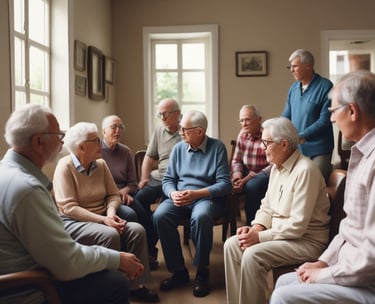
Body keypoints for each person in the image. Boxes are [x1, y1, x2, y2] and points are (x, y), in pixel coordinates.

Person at [0, 104, 144, 304]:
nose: (62, 141)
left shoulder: (7, 171)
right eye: (57, 134)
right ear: (38, 142)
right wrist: (117, 259)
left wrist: (109, 214)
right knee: (115, 283)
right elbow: (66, 263)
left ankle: (138, 285)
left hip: (30, 272)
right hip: (28, 288)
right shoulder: (27, 189)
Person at [270, 70, 375, 304]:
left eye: (333, 111)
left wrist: (326, 274)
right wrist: (324, 261)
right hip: (351, 268)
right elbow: (349, 228)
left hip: (368, 280)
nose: (331, 119)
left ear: (352, 111)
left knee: (282, 297)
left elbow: (372, 253)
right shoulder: (362, 154)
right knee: (284, 282)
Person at [224, 117, 331, 304]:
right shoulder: (276, 167)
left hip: (306, 241)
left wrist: (259, 237)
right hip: (282, 235)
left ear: (284, 144)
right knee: (232, 245)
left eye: (266, 142)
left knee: (251, 255)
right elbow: (267, 205)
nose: (262, 147)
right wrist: (256, 228)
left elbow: (297, 227)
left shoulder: (306, 170)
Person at [53, 122, 159, 303]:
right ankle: (113, 286)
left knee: (137, 230)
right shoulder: (65, 166)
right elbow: (69, 208)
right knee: (110, 234)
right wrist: (103, 220)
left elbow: (112, 195)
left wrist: (110, 213)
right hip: (74, 221)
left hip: (104, 216)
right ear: (81, 147)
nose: (100, 144)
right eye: (95, 141)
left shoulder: (100, 164)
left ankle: (135, 286)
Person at [153, 110, 232, 297]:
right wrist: (172, 194)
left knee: (201, 216)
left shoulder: (217, 148)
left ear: (200, 131)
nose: (180, 132)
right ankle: (178, 271)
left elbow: (225, 184)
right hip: (180, 196)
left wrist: (196, 194)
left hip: (206, 198)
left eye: (185, 129)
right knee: (160, 215)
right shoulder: (179, 149)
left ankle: (202, 271)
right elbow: (168, 179)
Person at [101, 114, 159, 270]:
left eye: (121, 127)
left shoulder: (125, 151)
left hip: (125, 194)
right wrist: (116, 194)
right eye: (114, 127)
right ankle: (128, 257)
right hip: (105, 197)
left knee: (147, 217)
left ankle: (149, 252)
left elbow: (133, 183)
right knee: (131, 215)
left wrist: (124, 191)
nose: (118, 130)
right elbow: (97, 182)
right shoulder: (96, 151)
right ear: (103, 131)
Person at [134, 98, 181, 267]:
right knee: (139, 198)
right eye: (159, 114)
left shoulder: (187, 131)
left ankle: (149, 249)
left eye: (165, 114)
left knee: (160, 214)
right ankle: (149, 241)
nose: (162, 117)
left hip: (177, 181)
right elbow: (149, 156)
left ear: (177, 114)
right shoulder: (159, 130)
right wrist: (144, 178)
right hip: (158, 177)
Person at [282, 49, 334, 181]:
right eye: (291, 67)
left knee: (315, 186)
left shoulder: (325, 86)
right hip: (298, 149)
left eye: (295, 66)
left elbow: (325, 120)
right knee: (297, 186)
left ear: (308, 66)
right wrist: (277, 130)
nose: (291, 70)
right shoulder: (293, 88)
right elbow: (286, 116)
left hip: (319, 150)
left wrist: (302, 136)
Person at [231, 104, 270, 224]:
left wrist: (254, 176)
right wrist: (237, 175)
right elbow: (236, 160)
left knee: (251, 186)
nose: (244, 124)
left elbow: (275, 164)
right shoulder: (242, 135)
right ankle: (231, 225)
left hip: (266, 173)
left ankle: (251, 224)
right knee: (226, 184)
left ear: (259, 119)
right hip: (247, 171)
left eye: (247, 119)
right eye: (241, 120)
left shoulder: (267, 134)